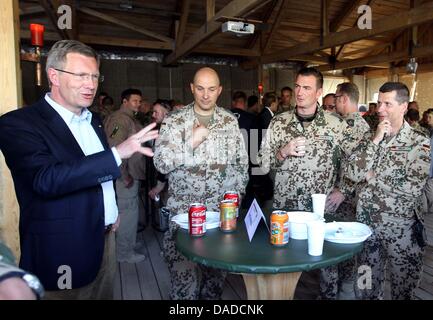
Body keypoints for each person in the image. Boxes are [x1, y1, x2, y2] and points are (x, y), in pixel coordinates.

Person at [0, 40, 158, 299]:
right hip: (63, 251)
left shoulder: (93, 120)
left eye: (95, 76)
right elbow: (45, 180)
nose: (91, 84)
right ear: (54, 76)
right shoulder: (19, 124)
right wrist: (117, 154)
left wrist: (112, 209)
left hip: (105, 239)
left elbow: (96, 173)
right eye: (82, 75)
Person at [153, 67, 249, 300]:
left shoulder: (229, 121)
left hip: (220, 216)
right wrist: (190, 142)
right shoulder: (174, 121)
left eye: (212, 89)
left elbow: (240, 164)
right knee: (184, 285)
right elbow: (161, 164)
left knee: (214, 284)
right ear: (192, 88)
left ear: (219, 91)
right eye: (201, 88)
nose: (206, 95)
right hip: (184, 217)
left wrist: (236, 199)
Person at [345, 82, 430, 300]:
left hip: (401, 232)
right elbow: (352, 173)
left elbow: (411, 189)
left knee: (403, 291)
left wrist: (372, 177)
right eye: (379, 102)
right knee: (365, 288)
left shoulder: (419, 142)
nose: (380, 109)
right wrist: (375, 141)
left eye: (387, 104)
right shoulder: (369, 137)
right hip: (366, 229)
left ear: (403, 107)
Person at [258, 67, 351, 211]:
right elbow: (262, 163)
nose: (299, 93)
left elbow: (356, 161)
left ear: (318, 93)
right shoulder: (278, 122)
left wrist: (343, 191)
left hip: (320, 209)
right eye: (297, 86)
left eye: (306, 88)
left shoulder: (336, 125)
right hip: (286, 207)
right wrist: (282, 153)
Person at [320, 82, 370, 300]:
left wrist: (343, 190)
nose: (333, 105)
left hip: (344, 199)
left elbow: (358, 166)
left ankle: (337, 293)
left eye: (336, 99)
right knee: (342, 246)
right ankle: (340, 291)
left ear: (344, 99)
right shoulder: (357, 125)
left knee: (336, 246)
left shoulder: (353, 127)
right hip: (344, 196)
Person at [104, 88, 148, 264]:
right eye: (134, 101)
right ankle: (124, 253)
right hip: (125, 176)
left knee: (129, 211)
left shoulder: (128, 118)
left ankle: (126, 245)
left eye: (139, 101)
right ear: (124, 101)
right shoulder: (120, 120)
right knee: (128, 213)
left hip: (129, 173)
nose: (138, 104)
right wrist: (124, 174)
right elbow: (114, 147)